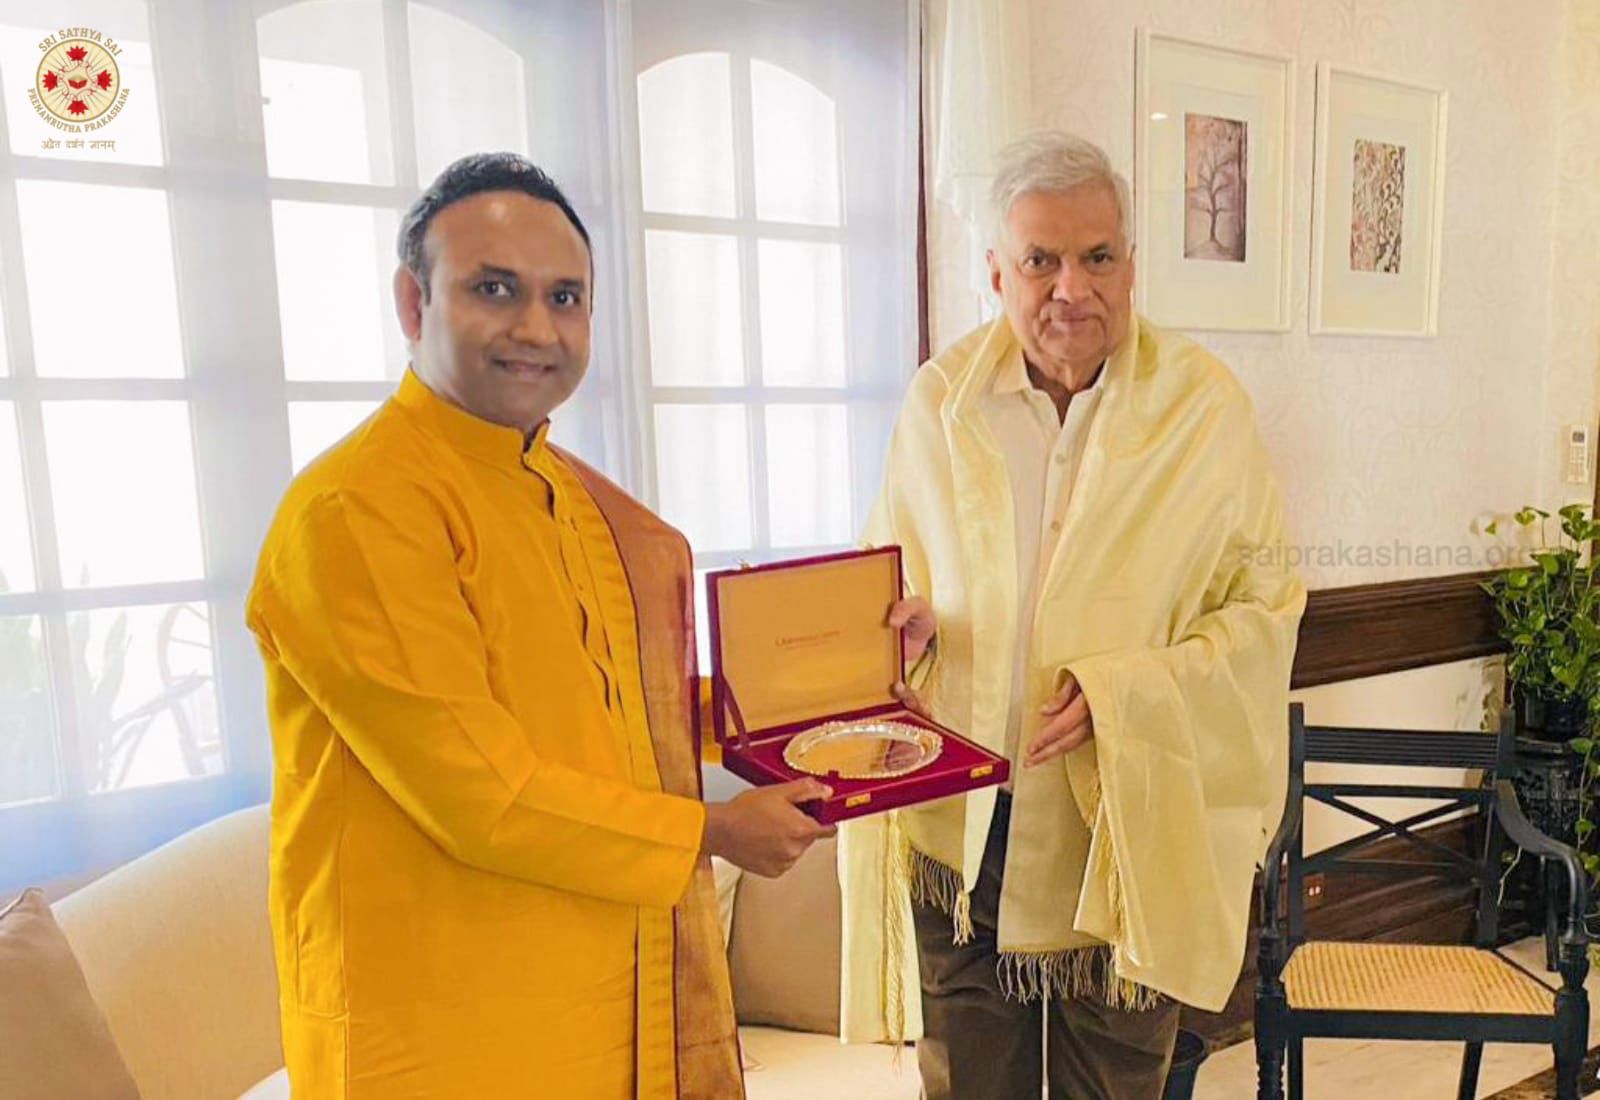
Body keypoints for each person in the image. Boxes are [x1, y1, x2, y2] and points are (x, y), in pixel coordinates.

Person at [247, 152, 833, 1099]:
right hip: (443, 1030)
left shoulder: (562, 493)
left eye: (565, 298)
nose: (536, 328)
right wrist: (715, 833)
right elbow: (483, 795)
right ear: (413, 302)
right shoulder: (358, 510)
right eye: (494, 289)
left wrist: (831, 686)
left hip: (599, 997)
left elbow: (622, 711)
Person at [841, 131, 1306, 1100]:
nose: (1071, 288)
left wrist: (1122, 697)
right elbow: (884, 589)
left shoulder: (1203, 411)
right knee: (970, 1083)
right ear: (995, 272)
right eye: (1040, 260)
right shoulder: (939, 406)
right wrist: (903, 639)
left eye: (1097, 257)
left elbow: (1264, 609)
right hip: (966, 822)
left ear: (1131, 266)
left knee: (1116, 1084)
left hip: (1127, 820)